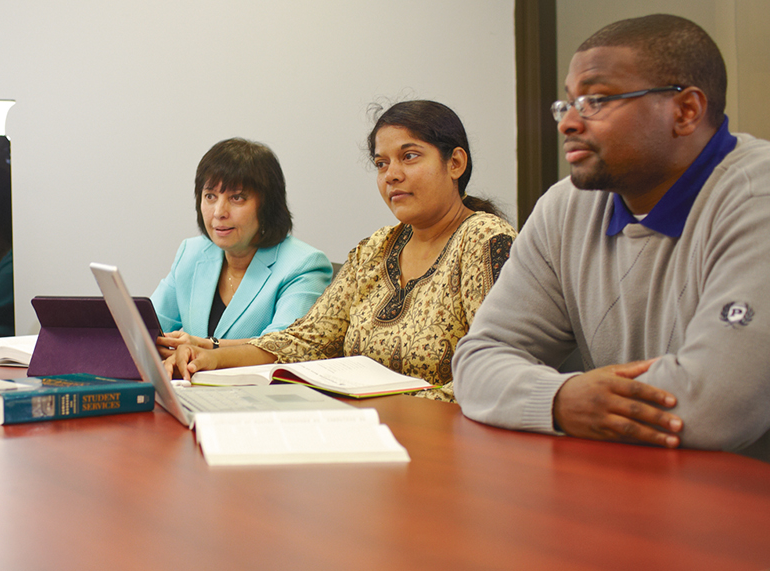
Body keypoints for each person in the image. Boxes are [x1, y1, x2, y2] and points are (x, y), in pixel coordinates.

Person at [452, 15, 770, 487]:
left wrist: (539, 396)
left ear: (685, 110)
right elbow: (478, 360)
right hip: (643, 484)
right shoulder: (566, 205)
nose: (569, 122)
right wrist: (561, 398)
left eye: (597, 100)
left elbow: (710, 408)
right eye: (567, 102)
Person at [167, 101, 516, 401]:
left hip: (444, 440)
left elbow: (493, 373)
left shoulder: (485, 240)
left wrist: (398, 411)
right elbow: (306, 341)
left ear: (455, 163)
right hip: (359, 429)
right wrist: (212, 356)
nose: (391, 174)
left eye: (409, 157)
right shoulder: (376, 249)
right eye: (381, 164)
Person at [150, 138, 332, 354]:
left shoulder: (304, 265)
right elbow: (146, 328)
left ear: (267, 206)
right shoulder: (191, 252)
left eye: (236, 198)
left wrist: (207, 347)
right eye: (210, 196)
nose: (219, 212)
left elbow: (285, 346)